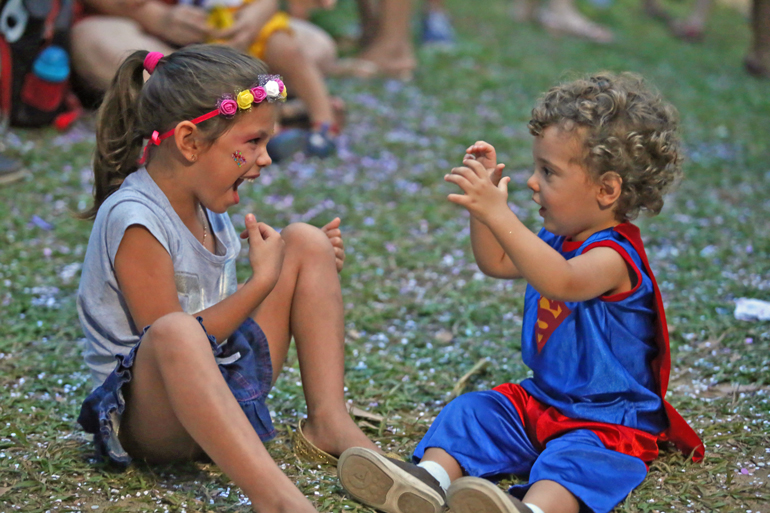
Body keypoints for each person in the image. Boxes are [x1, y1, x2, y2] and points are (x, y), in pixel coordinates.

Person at [336, 72, 705, 513]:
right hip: (543, 402)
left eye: (548, 172)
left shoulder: (614, 258)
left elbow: (562, 282)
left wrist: (501, 215)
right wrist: (486, 209)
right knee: (475, 411)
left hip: (606, 420)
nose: (532, 182)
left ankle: (533, 508)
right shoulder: (554, 241)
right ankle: (427, 480)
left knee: (574, 463)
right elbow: (496, 263)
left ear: (607, 189)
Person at [75, 45, 380, 513]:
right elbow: (172, 345)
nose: (266, 159)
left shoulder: (207, 201)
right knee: (174, 330)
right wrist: (261, 283)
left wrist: (301, 270)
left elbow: (219, 331)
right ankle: (275, 500)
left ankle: (329, 421)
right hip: (154, 419)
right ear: (190, 142)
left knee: (305, 241)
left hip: (221, 386)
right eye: (253, 142)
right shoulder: (135, 219)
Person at [70, 0, 347, 159]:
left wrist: (254, 16)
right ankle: (273, 115)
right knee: (102, 47)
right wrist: (157, 17)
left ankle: (241, 112)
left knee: (316, 47)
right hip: (143, 32)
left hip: (230, 32)